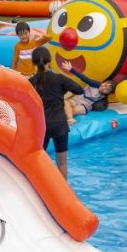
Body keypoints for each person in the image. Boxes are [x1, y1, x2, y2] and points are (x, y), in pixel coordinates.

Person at [29, 46, 87, 179]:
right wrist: (62, 94)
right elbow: (79, 90)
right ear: (50, 61)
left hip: (41, 126)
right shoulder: (59, 78)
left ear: (33, 63)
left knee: (38, 163)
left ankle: (40, 188)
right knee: (62, 163)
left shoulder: (31, 82)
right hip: (59, 124)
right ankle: (63, 190)